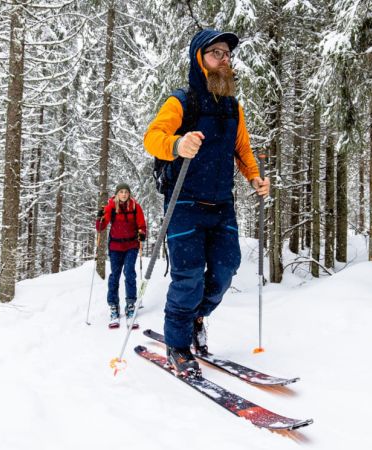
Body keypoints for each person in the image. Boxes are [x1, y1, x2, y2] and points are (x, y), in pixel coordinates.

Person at [143, 29, 270, 376]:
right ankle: (178, 344)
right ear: (200, 59)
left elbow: (242, 150)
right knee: (188, 278)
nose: (224, 60)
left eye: (227, 54)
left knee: (227, 267)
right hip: (183, 202)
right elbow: (152, 137)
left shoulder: (233, 107)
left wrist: (254, 178)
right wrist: (177, 144)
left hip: (221, 202)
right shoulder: (181, 101)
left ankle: (198, 316)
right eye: (217, 53)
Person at [96, 183, 147, 328]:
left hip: (131, 245)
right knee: (115, 276)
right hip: (115, 246)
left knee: (129, 273)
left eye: (126, 192)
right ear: (117, 194)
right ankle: (114, 306)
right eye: (121, 192)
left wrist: (142, 234)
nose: (124, 194)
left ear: (129, 194)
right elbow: (101, 227)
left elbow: (142, 225)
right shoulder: (111, 206)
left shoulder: (135, 207)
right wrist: (99, 218)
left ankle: (130, 305)